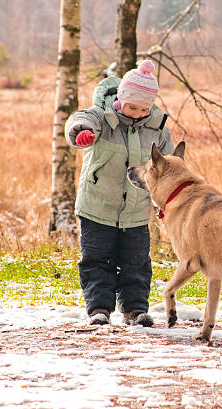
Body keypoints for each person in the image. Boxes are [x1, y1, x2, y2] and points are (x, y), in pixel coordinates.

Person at [65, 60, 174, 326]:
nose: (138, 113)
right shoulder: (102, 119)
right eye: (132, 107)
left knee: (136, 263)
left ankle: (135, 311)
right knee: (96, 260)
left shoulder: (157, 129)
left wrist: (168, 200)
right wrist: (81, 131)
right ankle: (99, 310)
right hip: (97, 206)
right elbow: (79, 119)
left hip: (137, 211)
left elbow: (170, 168)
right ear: (121, 100)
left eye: (144, 108)